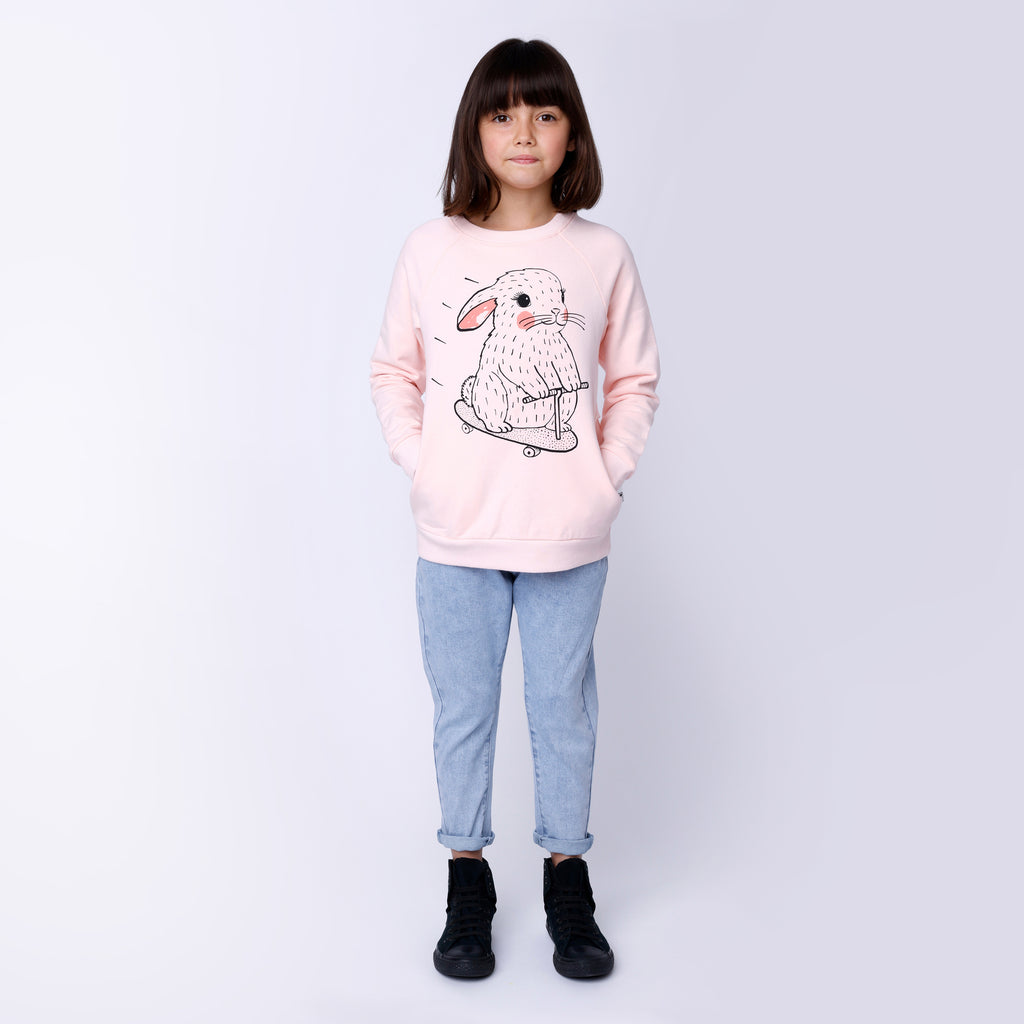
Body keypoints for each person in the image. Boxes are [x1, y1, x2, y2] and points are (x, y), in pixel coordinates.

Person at [369, 37, 660, 980]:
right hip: (455, 531)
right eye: (502, 114)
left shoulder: (601, 254)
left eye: (544, 112)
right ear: (476, 131)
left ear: (572, 132)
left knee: (560, 706)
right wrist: (426, 465)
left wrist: (605, 475)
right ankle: (468, 879)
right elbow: (395, 371)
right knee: (463, 707)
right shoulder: (432, 249)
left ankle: (567, 879)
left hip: (568, 530)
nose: (523, 132)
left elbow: (634, 379)